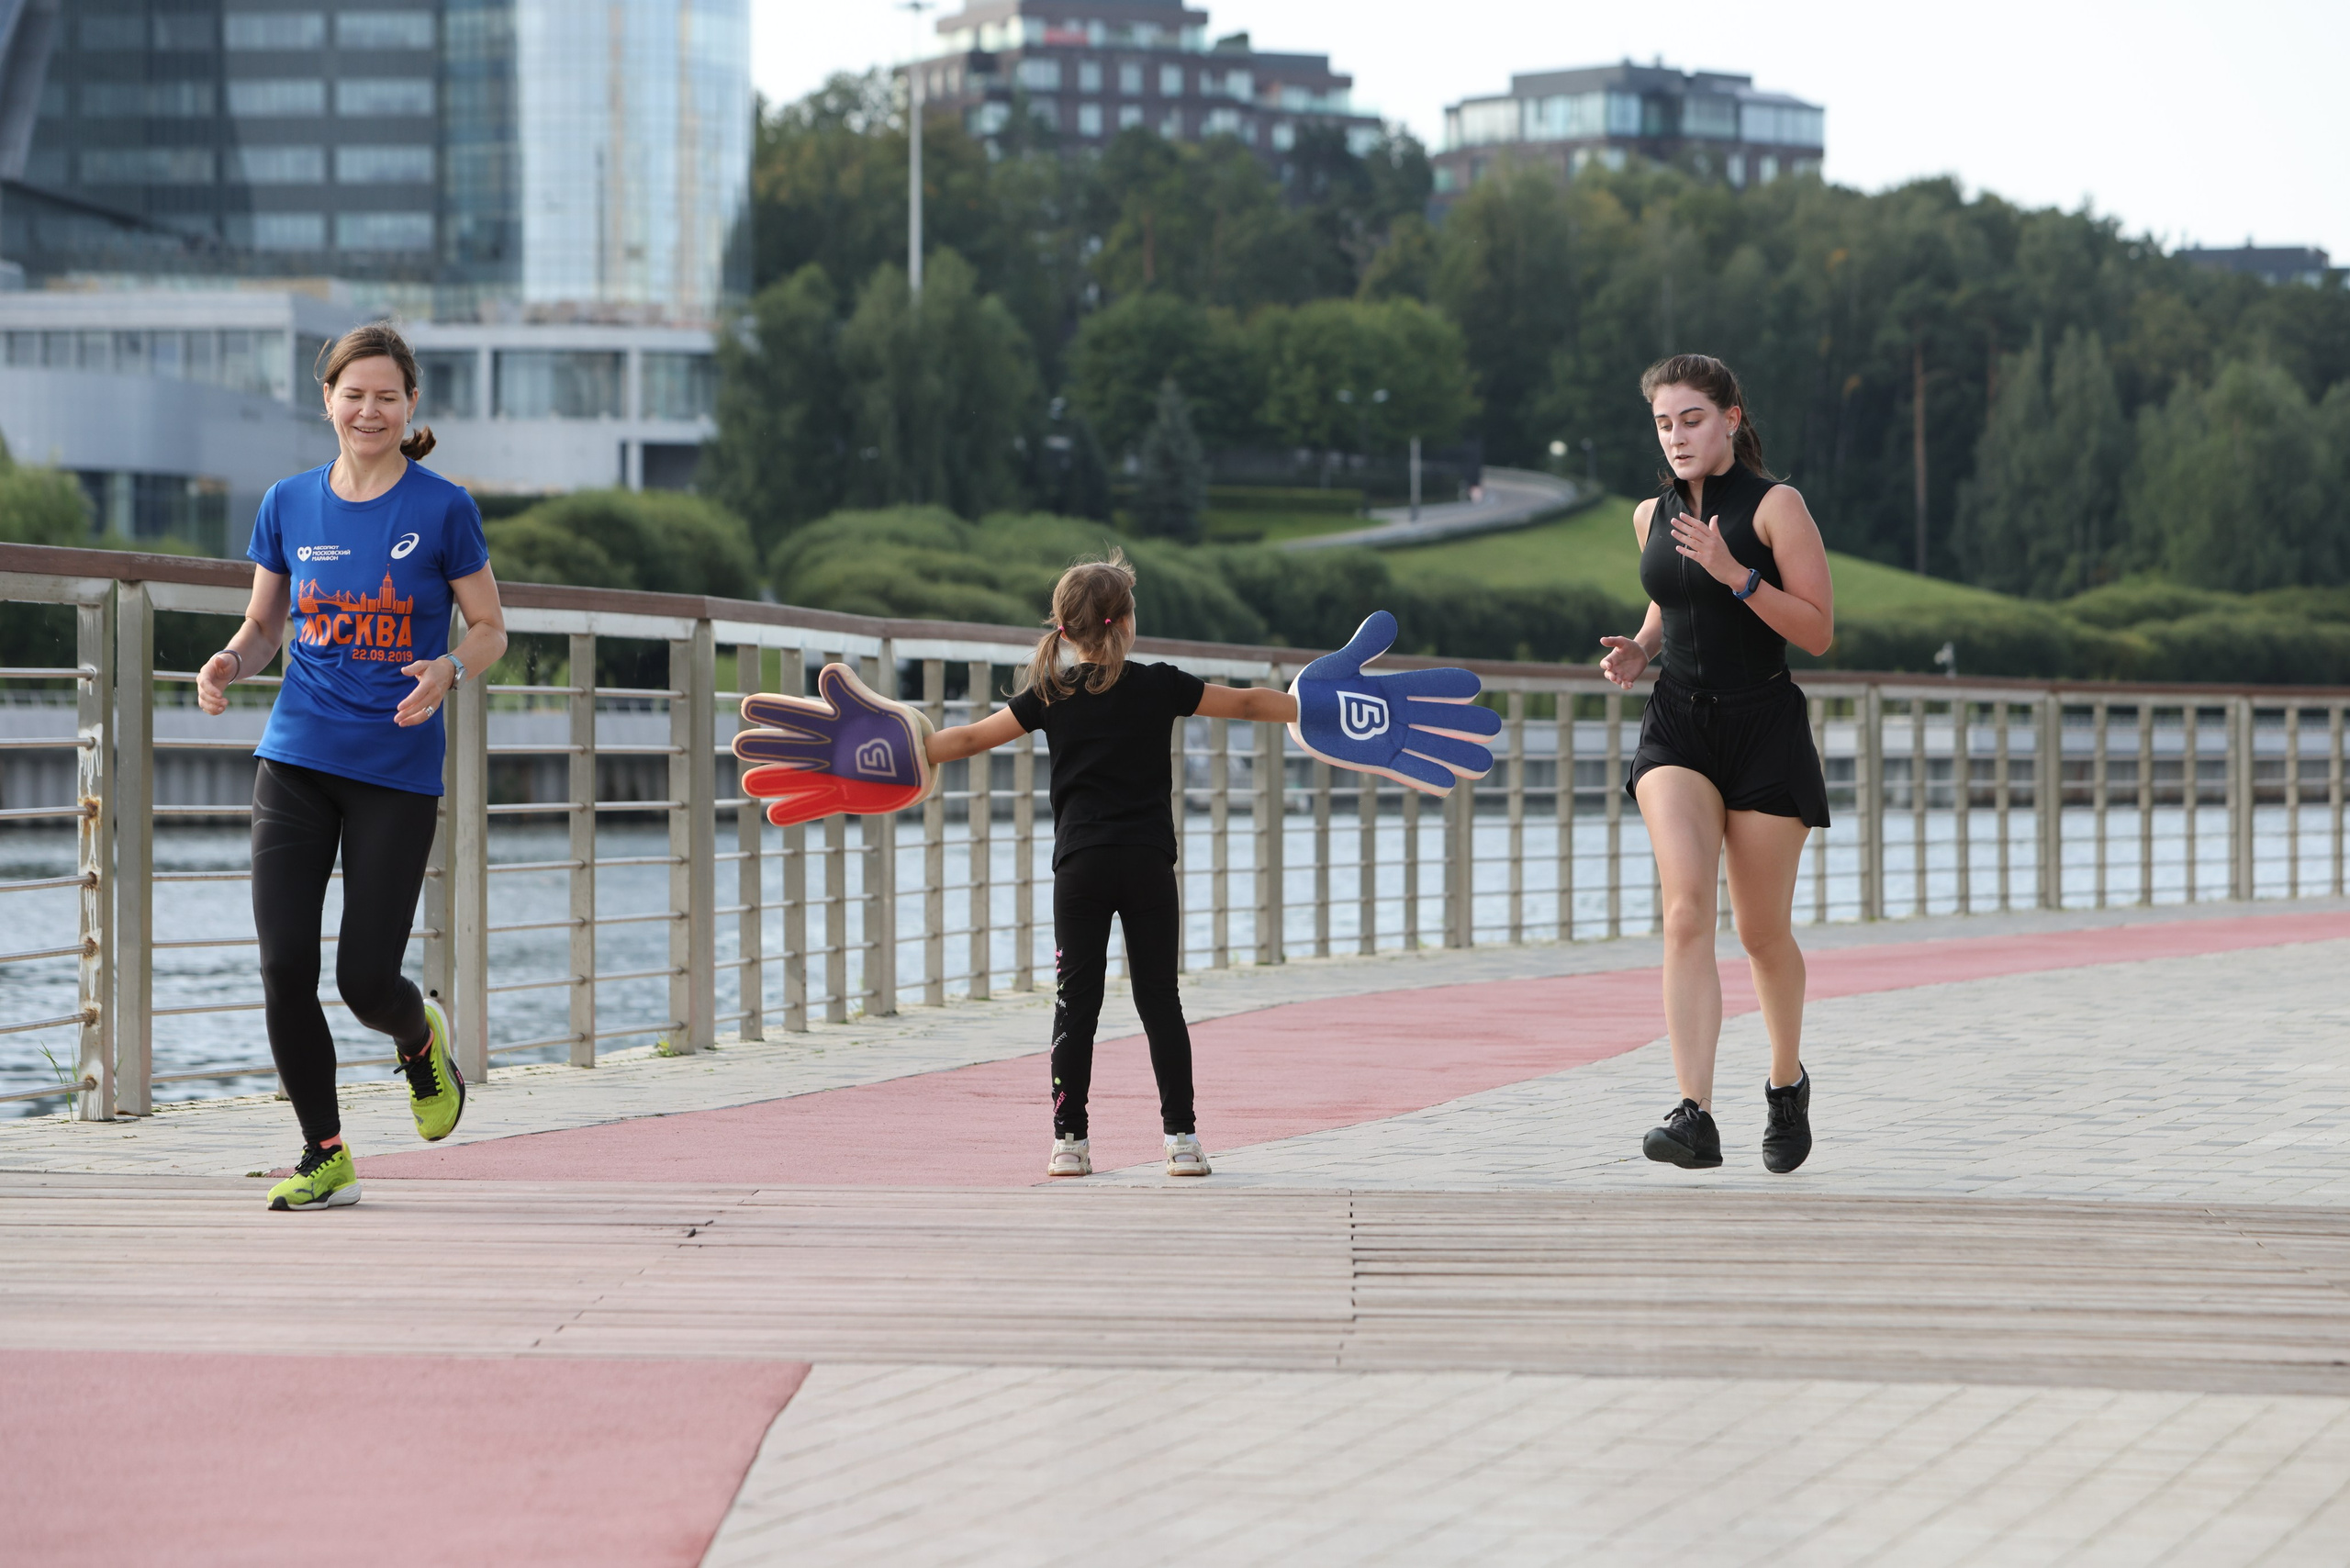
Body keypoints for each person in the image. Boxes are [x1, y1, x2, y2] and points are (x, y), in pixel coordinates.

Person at [196, 323, 508, 1211]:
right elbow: (266, 626)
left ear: (411, 405)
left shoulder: (444, 509)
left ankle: (420, 1042)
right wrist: (231, 661)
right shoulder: (288, 502)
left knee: (365, 980)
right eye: (353, 394)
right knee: (284, 964)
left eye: (387, 396)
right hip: (296, 757)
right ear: (327, 399)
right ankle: (324, 1152)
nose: (369, 411)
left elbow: (490, 629)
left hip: (395, 769)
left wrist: (450, 669)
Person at [923, 553, 1296, 1178]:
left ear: (1065, 629)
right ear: (1124, 621)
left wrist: (901, 749)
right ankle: (1181, 1141)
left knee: (1076, 1005)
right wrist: (1311, 710)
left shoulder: (1050, 693)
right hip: (1147, 862)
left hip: (1081, 867)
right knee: (1160, 1001)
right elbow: (1252, 706)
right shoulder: (1161, 684)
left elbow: (962, 741)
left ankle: (1069, 1143)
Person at [1598, 353, 1835, 1174]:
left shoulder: (1776, 507)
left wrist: (1738, 575)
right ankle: (1693, 1113)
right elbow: (1670, 596)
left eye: (1692, 419)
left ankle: (1785, 1083)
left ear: (1731, 418)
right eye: (1664, 424)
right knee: (1685, 911)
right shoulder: (1650, 515)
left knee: (1761, 933)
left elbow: (1816, 630)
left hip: (1764, 727)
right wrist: (1643, 647)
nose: (1677, 437)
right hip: (1678, 728)